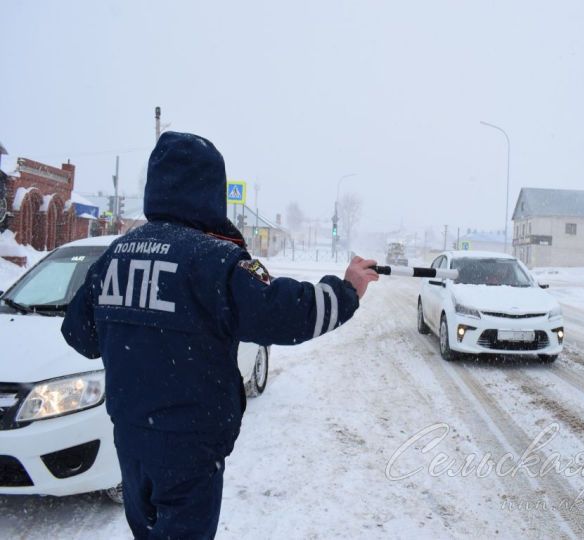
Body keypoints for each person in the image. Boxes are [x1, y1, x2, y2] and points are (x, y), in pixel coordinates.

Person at [61, 131, 378, 539]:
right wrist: (347, 291)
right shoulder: (213, 261)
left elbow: (79, 334)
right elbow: (285, 313)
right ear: (211, 191)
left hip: (131, 439)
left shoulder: (115, 256)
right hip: (189, 450)